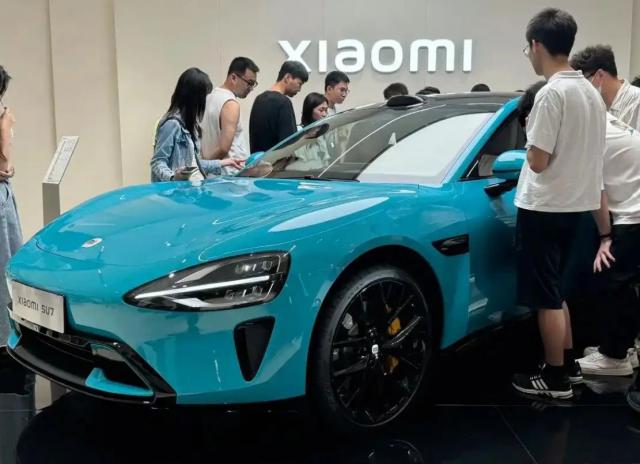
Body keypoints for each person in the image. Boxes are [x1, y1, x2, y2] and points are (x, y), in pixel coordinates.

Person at [511, 8, 606, 400]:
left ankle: (553, 379)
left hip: (544, 208)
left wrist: (530, 139)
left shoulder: (551, 94)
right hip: (577, 208)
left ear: (536, 45)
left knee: (546, 297)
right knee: (557, 291)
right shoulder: (590, 93)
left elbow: (538, 160)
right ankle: (566, 366)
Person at [151, 68, 241, 182]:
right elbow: (158, 162)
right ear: (194, 97)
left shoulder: (189, 125)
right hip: (176, 190)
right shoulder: (171, 124)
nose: (205, 101)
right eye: (204, 97)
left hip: (191, 187)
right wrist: (173, 177)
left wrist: (223, 163)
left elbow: (194, 164)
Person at [201, 57, 259, 176]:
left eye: (253, 84)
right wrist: (204, 165)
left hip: (211, 175)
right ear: (233, 77)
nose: (251, 88)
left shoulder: (208, 98)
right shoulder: (230, 103)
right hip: (229, 175)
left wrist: (204, 166)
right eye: (249, 83)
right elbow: (223, 148)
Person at [0, 65, 23, 348]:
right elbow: (4, 160)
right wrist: (6, 123)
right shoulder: (3, 115)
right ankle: (7, 337)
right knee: (6, 265)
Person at [570, 45, 640, 130]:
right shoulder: (597, 106)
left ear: (600, 75)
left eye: (582, 82)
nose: (580, 89)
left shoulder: (636, 102)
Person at [249, 61, 308, 153]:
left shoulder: (259, 99)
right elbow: (289, 145)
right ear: (287, 77)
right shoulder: (284, 103)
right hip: (276, 161)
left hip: (258, 160)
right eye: (299, 83)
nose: (300, 89)